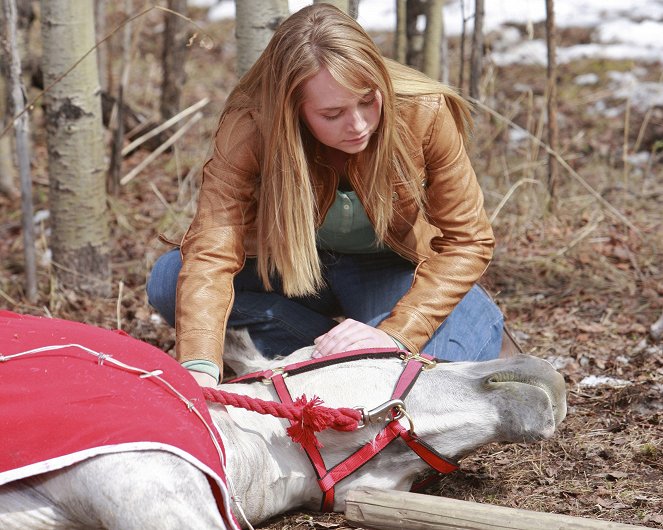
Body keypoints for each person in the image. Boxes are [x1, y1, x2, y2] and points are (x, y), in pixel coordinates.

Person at [147, 3, 512, 388]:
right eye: (333, 114)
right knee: (170, 281)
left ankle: (369, 349)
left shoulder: (422, 111)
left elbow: (468, 241)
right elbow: (211, 250)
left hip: (389, 269)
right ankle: (343, 354)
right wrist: (199, 366)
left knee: (429, 373)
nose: (358, 125)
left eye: (368, 100)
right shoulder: (252, 126)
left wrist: (395, 334)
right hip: (295, 265)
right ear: (293, 111)